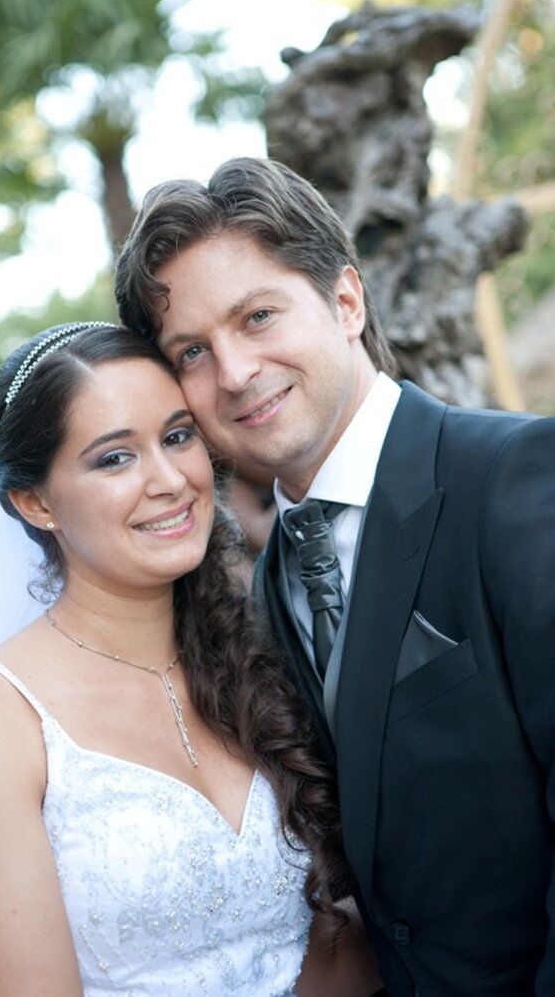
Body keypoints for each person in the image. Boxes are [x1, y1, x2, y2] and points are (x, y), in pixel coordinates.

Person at [114, 156, 555, 996]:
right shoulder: (272, 580)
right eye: (193, 352)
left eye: (257, 317)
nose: (235, 372)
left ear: (345, 301)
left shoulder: (514, 478)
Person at [0, 321, 382, 996]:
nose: (169, 479)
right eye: (114, 458)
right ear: (36, 502)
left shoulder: (259, 649)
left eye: (176, 437)